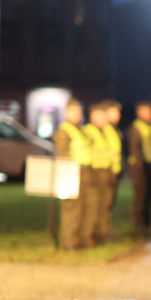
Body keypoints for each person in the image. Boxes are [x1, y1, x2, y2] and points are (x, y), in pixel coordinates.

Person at [53, 98, 92, 250]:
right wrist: (67, 178)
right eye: (74, 111)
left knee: (82, 209)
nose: (77, 114)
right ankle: (69, 242)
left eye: (79, 111)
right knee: (71, 210)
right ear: (66, 113)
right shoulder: (65, 131)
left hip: (83, 173)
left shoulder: (80, 129)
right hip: (70, 174)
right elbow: (62, 156)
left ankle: (79, 239)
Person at [127, 101, 151, 238]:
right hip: (140, 166)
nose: (150, 114)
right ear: (139, 113)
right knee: (140, 196)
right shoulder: (136, 127)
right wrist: (139, 166)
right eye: (147, 111)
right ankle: (138, 225)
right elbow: (135, 149)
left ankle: (148, 223)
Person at [82, 102, 114, 246]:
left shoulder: (107, 130)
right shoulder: (88, 131)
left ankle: (103, 233)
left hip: (107, 171)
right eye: (101, 116)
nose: (104, 119)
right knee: (93, 206)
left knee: (105, 205)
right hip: (94, 172)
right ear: (93, 116)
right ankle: (89, 236)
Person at [103, 100, 124, 219]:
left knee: (109, 201)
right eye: (115, 112)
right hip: (106, 170)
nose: (118, 115)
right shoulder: (105, 130)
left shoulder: (114, 129)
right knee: (104, 202)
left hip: (114, 170)